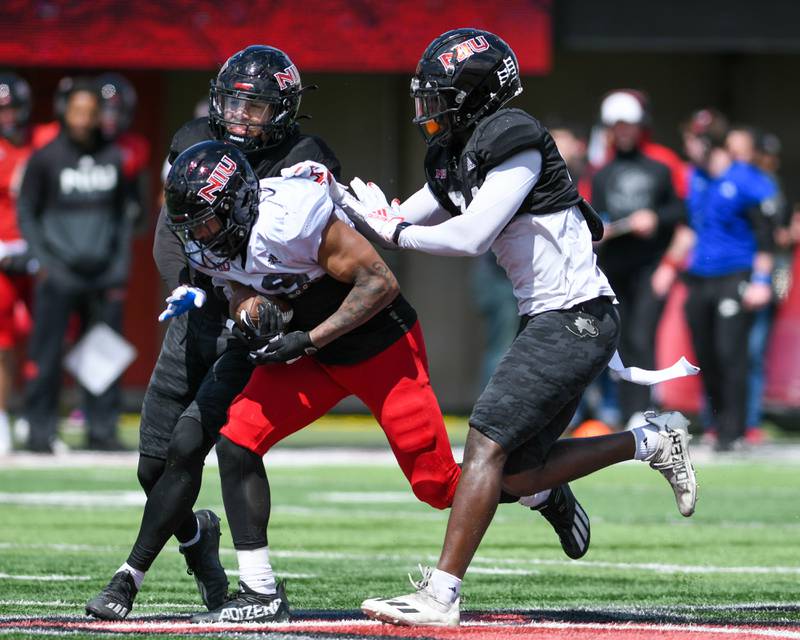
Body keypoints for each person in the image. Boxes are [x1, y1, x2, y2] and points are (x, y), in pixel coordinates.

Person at [346, 28, 698, 627]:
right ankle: (652, 440)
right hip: (556, 316)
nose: (427, 110)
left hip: (576, 315)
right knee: (515, 473)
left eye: (439, 96)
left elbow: (468, 235)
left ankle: (441, 595)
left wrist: (394, 230)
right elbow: (397, 214)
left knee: (484, 443)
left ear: (478, 95)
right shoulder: (456, 152)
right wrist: (326, 197)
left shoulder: (514, 139)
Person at [86, 45, 340, 621]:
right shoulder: (194, 137)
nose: (238, 117)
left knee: (192, 446)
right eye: (231, 102)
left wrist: (250, 298)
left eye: (255, 107)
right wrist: (191, 284)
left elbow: (305, 256)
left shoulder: (306, 158)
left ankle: (131, 577)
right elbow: (170, 229)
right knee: (153, 467)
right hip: (196, 314)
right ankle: (197, 538)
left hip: (250, 323)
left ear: (284, 110)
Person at [17, 78, 133, 453]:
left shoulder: (115, 157)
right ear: (64, 112)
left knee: (102, 357)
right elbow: (27, 214)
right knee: (46, 354)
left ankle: (101, 431)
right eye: (77, 110)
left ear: (100, 115)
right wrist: (46, 262)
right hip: (59, 272)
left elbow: (123, 218)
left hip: (103, 275)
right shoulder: (46, 158)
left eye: (90, 112)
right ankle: (40, 432)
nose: (83, 119)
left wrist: (118, 267)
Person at [592, 90, 685, 428]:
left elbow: (680, 211)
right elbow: (596, 216)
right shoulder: (602, 172)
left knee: (642, 337)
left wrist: (655, 219)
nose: (624, 131)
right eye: (617, 126)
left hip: (650, 265)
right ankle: (626, 410)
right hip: (615, 266)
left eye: (629, 125)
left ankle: (643, 411)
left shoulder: (660, 166)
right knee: (620, 339)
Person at [0, 72, 38, 455]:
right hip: (3, 253)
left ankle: (35, 412)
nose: (7, 116)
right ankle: (3, 416)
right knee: (4, 339)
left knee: (49, 336)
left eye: (11, 108)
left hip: (38, 251)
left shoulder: (41, 142)